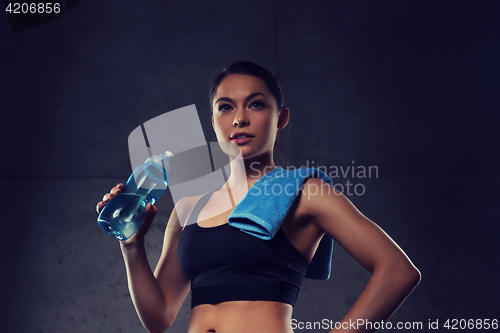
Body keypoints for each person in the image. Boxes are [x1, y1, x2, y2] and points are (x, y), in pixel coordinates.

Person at [96, 61, 421, 333]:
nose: (239, 118)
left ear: (281, 117)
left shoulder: (304, 192)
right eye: (226, 107)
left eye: (256, 103)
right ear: (214, 123)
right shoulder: (188, 208)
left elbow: (397, 270)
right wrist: (132, 244)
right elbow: (159, 317)